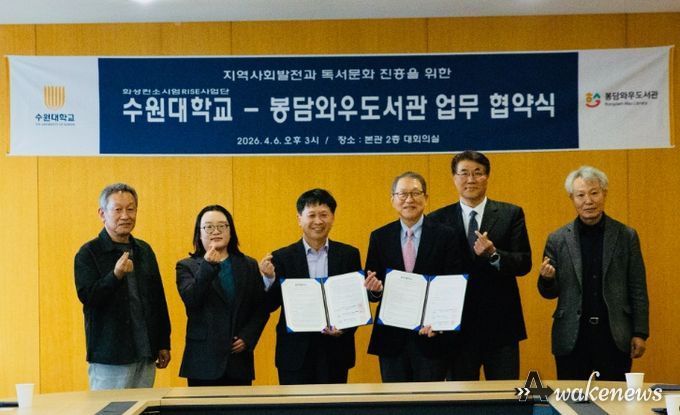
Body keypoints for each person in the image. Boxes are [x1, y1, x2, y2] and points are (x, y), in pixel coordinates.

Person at [538, 166, 649, 381]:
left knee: (614, 398)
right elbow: (548, 292)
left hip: (614, 335)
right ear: (572, 198)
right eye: (580, 195)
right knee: (571, 399)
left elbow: (638, 287)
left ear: (604, 194)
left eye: (594, 193)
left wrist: (640, 332)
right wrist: (547, 279)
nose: (588, 201)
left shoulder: (626, 236)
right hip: (572, 336)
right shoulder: (557, 239)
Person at [429, 150, 531, 381]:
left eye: (478, 173)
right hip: (456, 326)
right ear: (454, 178)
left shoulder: (510, 214)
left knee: (505, 395)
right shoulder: (437, 219)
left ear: (487, 176)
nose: (471, 179)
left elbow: (524, 262)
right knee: (461, 398)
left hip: (501, 324)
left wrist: (494, 254)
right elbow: (433, 272)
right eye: (464, 173)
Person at [259, 188, 369, 385]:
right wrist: (268, 279)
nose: (318, 221)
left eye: (324, 214)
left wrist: (344, 328)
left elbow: (354, 302)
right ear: (299, 219)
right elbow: (269, 305)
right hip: (294, 353)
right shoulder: (282, 257)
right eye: (311, 215)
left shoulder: (349, 255)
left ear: (333, 217)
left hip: (335, 350)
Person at [365, 171, 463, 383]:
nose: (409, 199)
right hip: (392, 338)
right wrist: (374, 290)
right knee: (394, 400)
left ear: (425, 198)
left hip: (431, 336)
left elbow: (453, 286)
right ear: (393, 199)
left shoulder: (446, 235)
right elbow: (372, 288)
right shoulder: (380, 237)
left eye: (415, 193)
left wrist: (440, 323)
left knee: (429, 400)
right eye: (402, 194)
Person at [74, 183, 171, 390]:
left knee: (144, 407)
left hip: (146, 351)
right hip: (110, 355)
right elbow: (89, 297)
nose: (125, 216)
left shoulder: (144, 250)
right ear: (102, 214)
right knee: (109, 407)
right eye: (117, 209)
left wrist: (163, 342)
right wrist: (115, 275)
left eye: (131, 209)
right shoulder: (88, 253)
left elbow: (158, 299)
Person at [176, 205, 269, 386]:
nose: (216, 231)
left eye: (222, 226)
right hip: (202, 362)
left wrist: (248, 337)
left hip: (238, 360)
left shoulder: (248, 265)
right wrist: (208, 266)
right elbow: (192, 300)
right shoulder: (187, 266)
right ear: (199, 233)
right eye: (209, 227)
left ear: (230, 231)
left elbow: (260, 308)